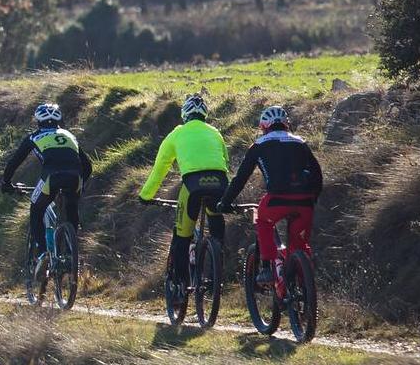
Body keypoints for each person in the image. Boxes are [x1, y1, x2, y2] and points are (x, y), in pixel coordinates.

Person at [217, 105, 323, 284]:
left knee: (263, 220)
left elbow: (240, 179)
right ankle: (301, 284)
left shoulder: (258, 145)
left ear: (263, 127)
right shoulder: (300, 142)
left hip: (276, 201)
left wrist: (225, 202)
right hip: (305, 202)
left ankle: (267, 267)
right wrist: (314, 198)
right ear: (286, 125)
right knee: (297, 244)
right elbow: (317, 175)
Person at [138, 93, 230, 288]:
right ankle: (216, 275)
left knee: (182, 237)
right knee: (216, 226)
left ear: (184, 115)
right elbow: (226, 162)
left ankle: (180, 284)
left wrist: (146, 196)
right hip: (219, 184)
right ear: (205, 115)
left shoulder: (177, 134)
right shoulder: (215, 132)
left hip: (193, 185)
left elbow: (159, 169)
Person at [0, 103, 92, 256]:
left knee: (36, 210)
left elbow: (14, 162)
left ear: (38, 121)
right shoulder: (69, 135)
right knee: (71, 208)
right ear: (58, 121)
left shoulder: (33, 137)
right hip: (75, 178)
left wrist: (6, 183)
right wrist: (81, 185)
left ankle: (43, 254)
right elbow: (87, 166)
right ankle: (71, 252)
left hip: (51, 177)